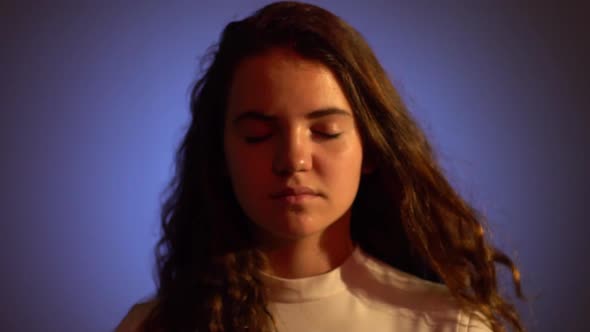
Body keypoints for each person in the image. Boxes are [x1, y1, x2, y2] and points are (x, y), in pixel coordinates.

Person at [116, 1, 524, 331]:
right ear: (220, 154)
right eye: (258, 134)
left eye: (326, 131)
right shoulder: (156, 326)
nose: (293, 159)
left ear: (373, 149)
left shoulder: (448, 325)